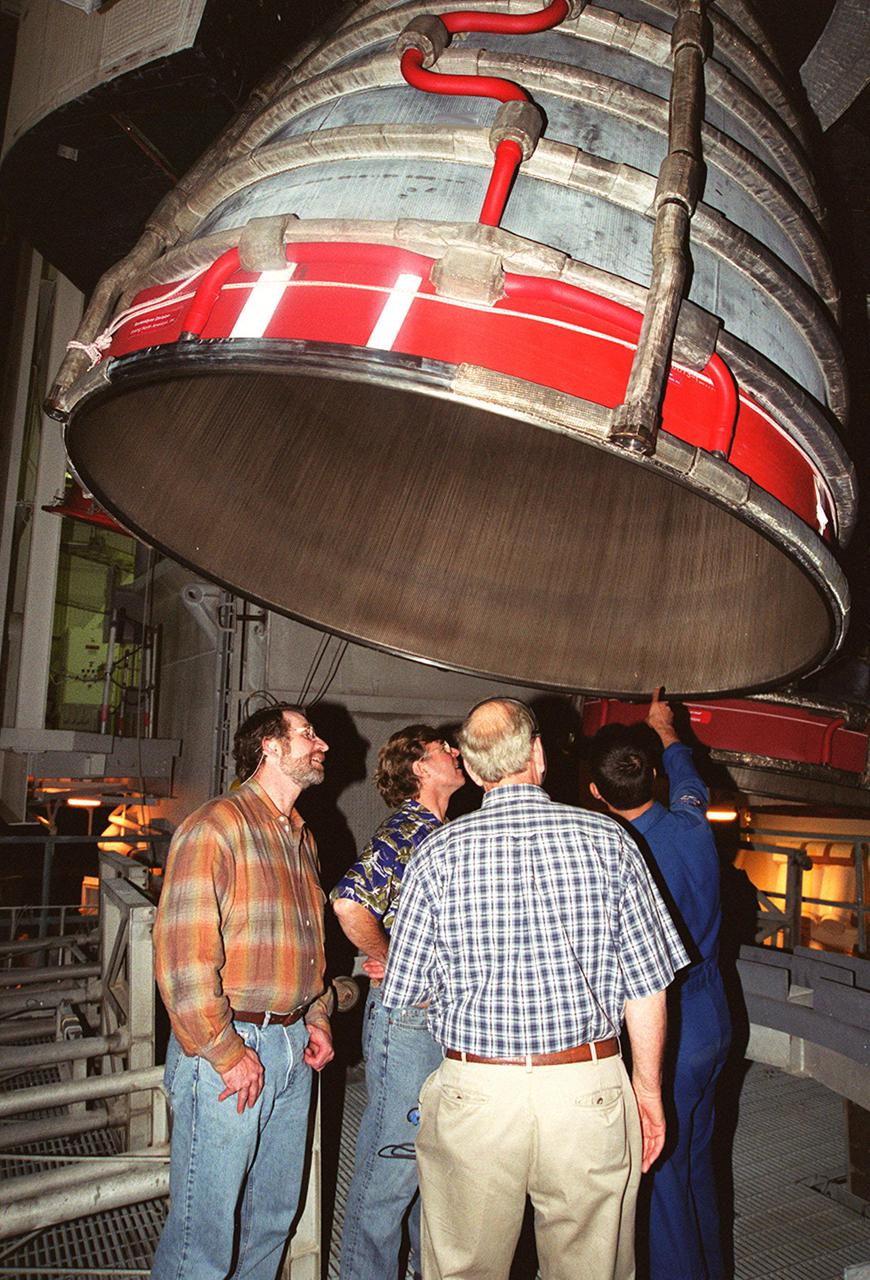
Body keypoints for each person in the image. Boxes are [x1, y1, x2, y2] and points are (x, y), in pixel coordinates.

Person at [381, 697, 688, 1280]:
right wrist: (648, 1092)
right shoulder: (611, 841)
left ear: (472, 771)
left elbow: (405, 993)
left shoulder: (435, 855)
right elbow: (647, 987)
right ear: (539, 756)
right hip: (587, 1091)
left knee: (462, 1269)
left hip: (477, 1094)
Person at [151, 702, 334, 1280]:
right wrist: (227, 1052)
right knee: (203, 1235)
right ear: (271, 749)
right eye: (307, 734)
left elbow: (310, 948)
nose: (321, 743)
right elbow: (183, 959)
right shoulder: (215, 827)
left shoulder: (301, 837)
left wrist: (320, 1015)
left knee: (274, 1217)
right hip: (229, 1053)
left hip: (291, 1048)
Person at [589, 690, 731, 1280]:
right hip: (716, 1018)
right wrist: (666, 730)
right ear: (651, 775)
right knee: (698, 1162)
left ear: (596, 795)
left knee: (663, 1177)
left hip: (665, 1027)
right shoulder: (693, 822)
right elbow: (689, 777)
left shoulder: (613, 857)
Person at [331, 725, 465, 1280]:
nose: (455, 752)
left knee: (431, 1164)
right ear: (420, 769)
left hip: (436, 1014)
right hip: (407, 1020)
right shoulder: (409, 827)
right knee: (393, 1164)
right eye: (443, 750)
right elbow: (348, 900)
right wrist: (389, 956)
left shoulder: (443, 830)